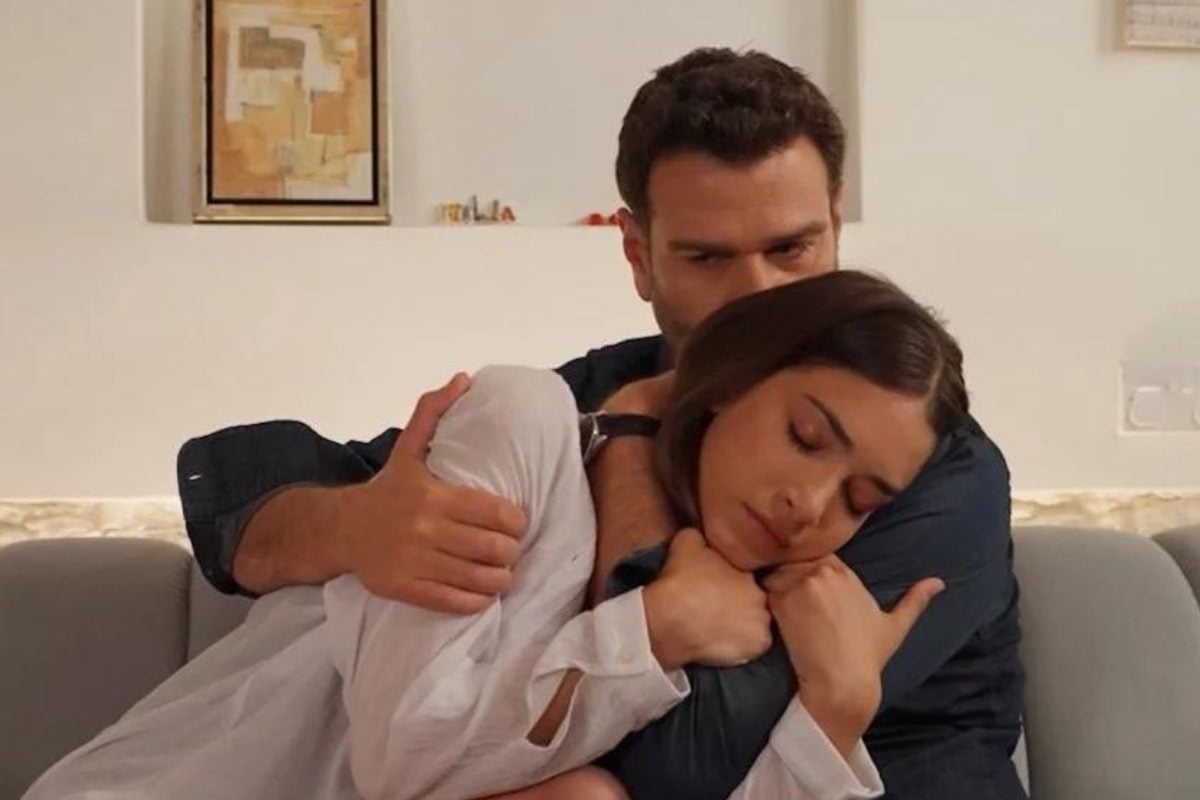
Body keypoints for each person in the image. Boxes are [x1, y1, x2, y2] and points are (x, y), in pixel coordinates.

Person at [176, 49, 1025, 799]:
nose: (761, 299)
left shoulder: (936, 476)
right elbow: (237, 483)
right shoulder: (590, 391)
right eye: (708, 257)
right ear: (638, 256)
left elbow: (680, 764)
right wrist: (353, 527)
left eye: (792, 249)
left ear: (836, 226)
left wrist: (625, 454)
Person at [27, 272, 960, 800]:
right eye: (805, 437)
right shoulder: (524, 421)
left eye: (860, 498)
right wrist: (651, 632)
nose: (809, 504)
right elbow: (406, 758)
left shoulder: (762, 613)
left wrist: (837, 709)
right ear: (729, 382)